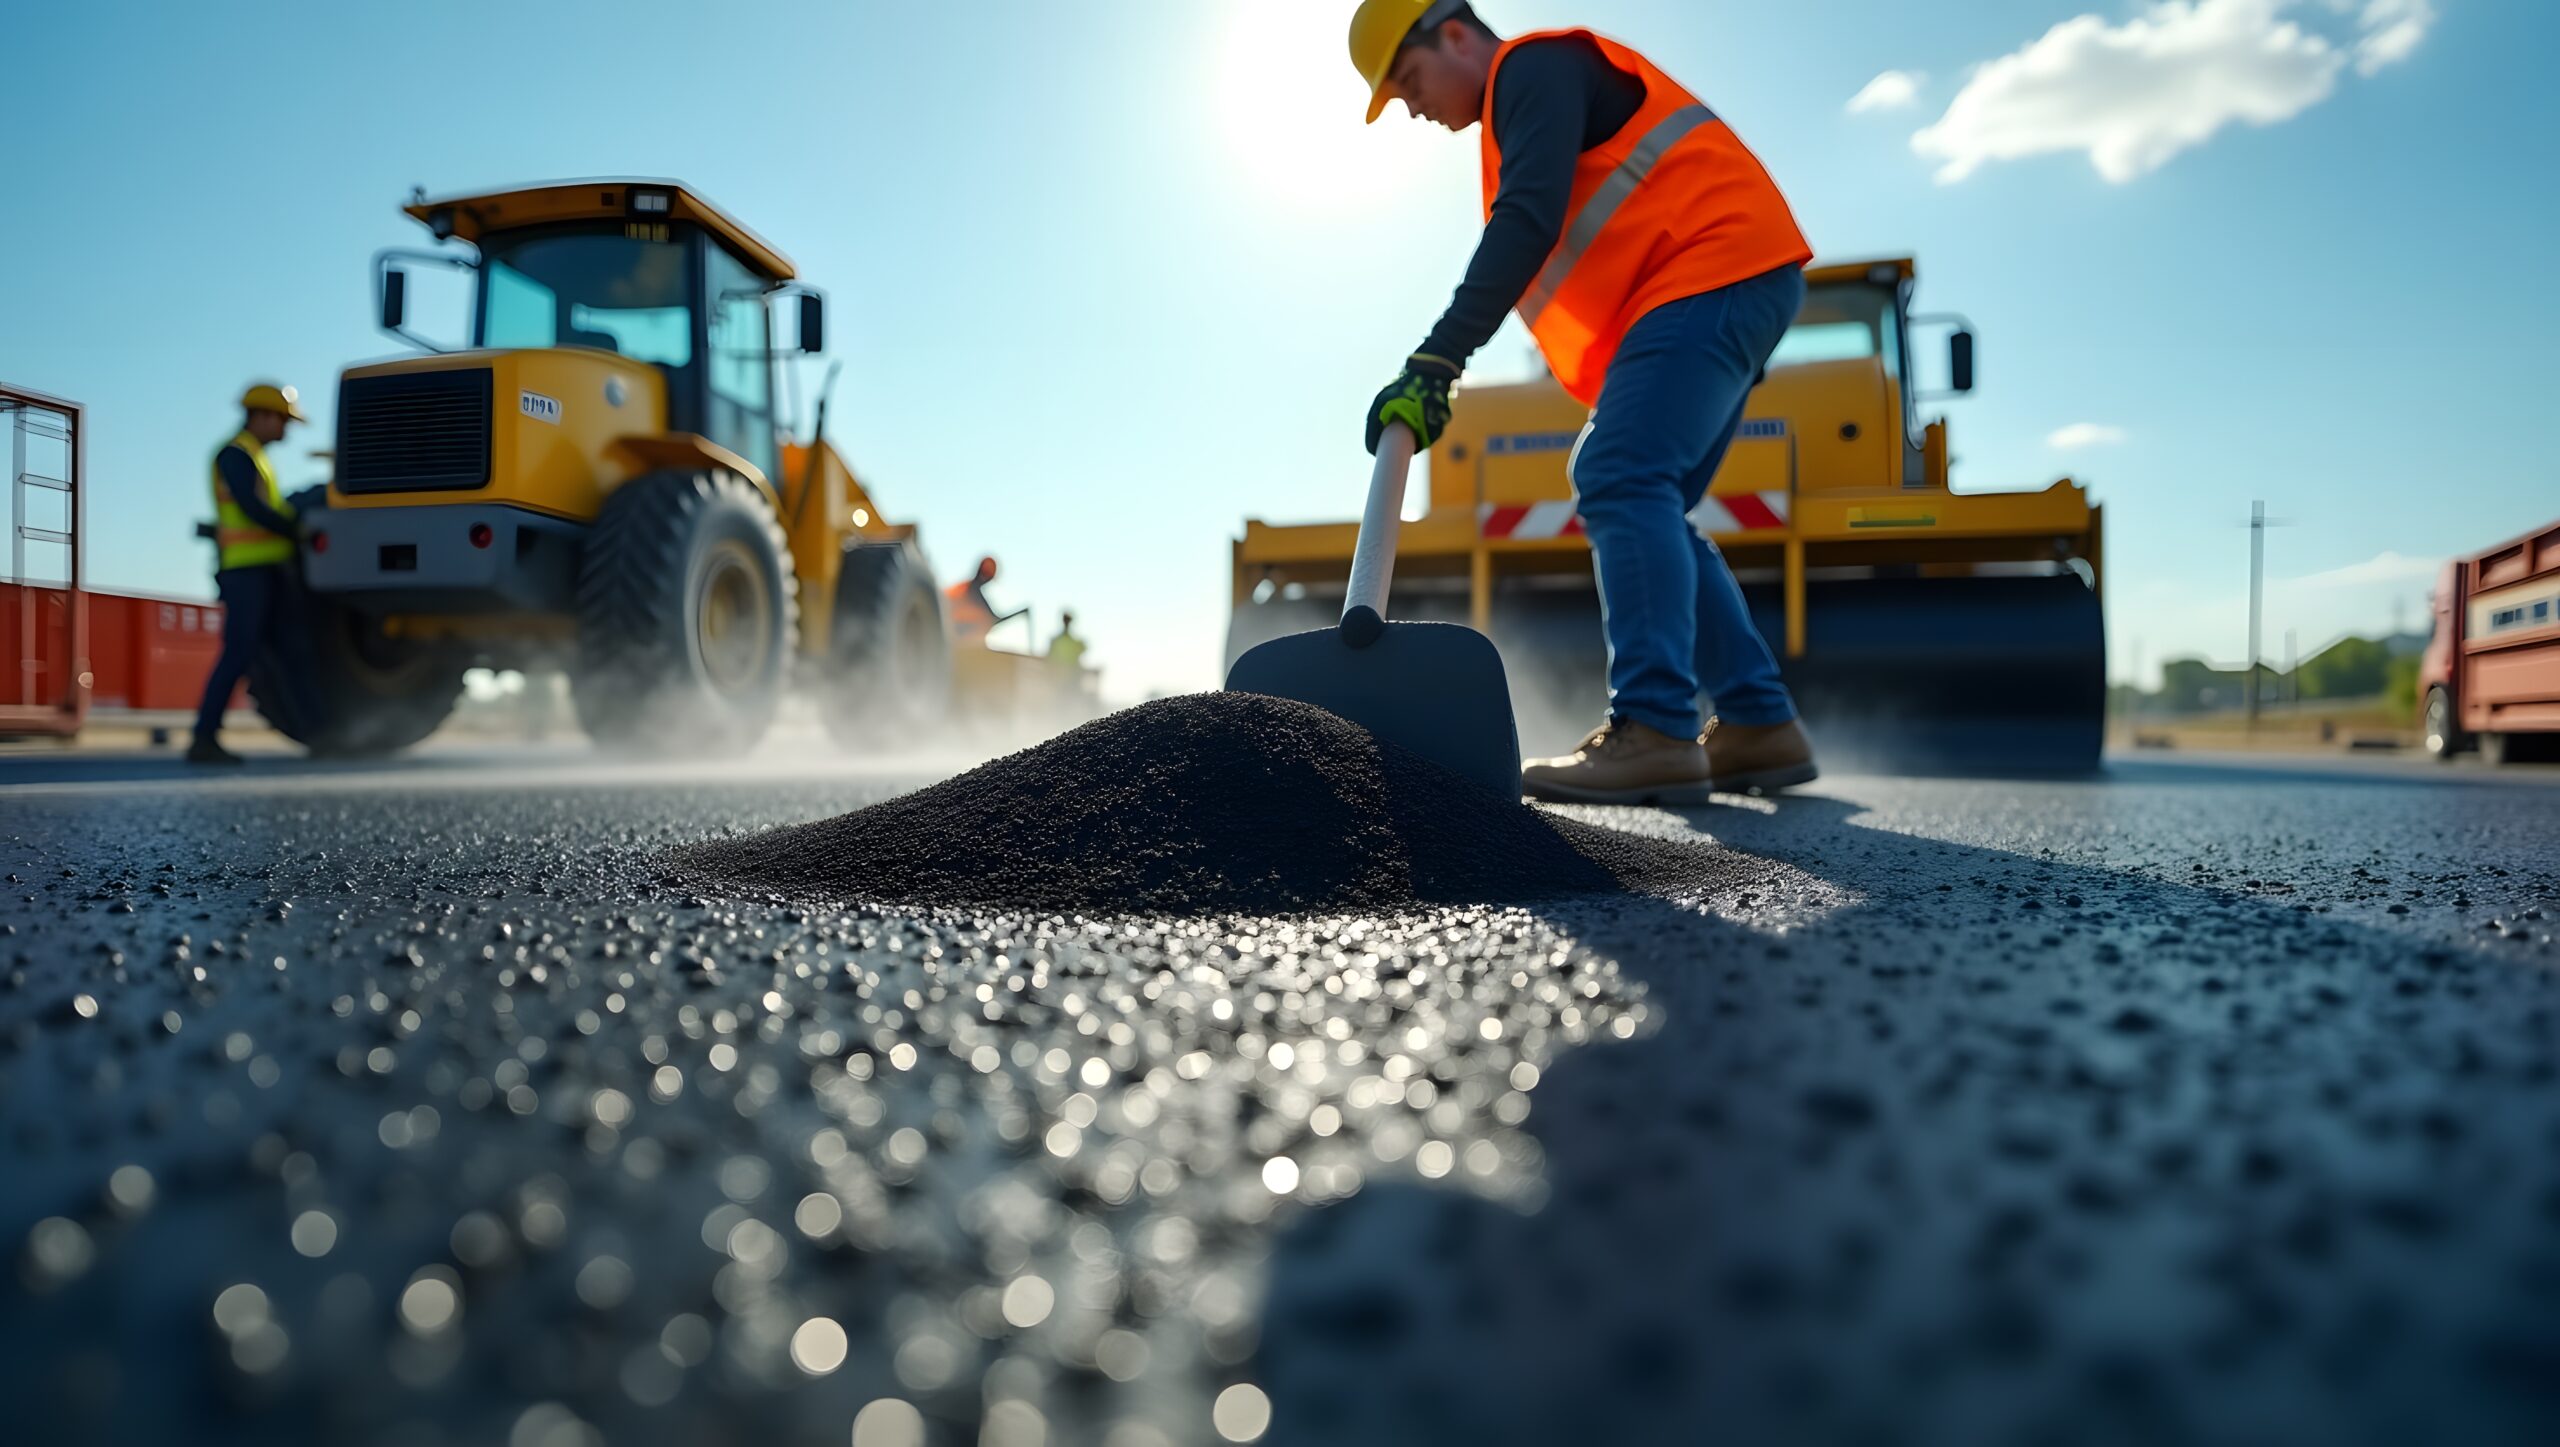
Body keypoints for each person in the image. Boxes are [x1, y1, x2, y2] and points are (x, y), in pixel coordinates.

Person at [1350, 0, 1820, 801]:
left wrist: (1438, 355)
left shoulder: (1532, 70)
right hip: (1730, 277)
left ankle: (1656, 727)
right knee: (1649, 497)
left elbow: (1527, 221)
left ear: (1454, 35)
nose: (1413, 109)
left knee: (1619, 474)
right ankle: (1758, 723)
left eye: (1410, 83)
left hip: (1712, 267)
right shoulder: (1522, 103)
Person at [189, 383, 311, 765]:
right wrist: (298, 529)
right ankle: (204, 737)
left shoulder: (255, 456)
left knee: (288, 650)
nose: (286, 429)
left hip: (263, 570)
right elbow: (253, 509)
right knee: (239, 652)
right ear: (261, 415)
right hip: (246, 573)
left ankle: (321, 732)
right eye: (283, 421)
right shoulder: (236, 455)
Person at [946, 555, 1002, 645]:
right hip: (956, 634)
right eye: (988, 579)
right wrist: (993, 618)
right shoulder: (968, 590)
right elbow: (988, 613)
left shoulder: (967, 588)